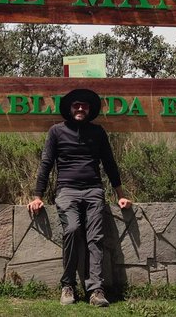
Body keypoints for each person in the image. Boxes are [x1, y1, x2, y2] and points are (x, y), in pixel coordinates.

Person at [28, 88, 131, 307]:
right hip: (66, 191)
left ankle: (96, 290)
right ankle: (68, 285)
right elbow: (46, 164)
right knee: (73, 230)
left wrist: (120, 195)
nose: (81, 108)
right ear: (70, 108)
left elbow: (110, 164)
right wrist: (38, 196)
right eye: (77, 105)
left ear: (90, 109)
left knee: (95, 238)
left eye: (84, 105)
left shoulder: (98, 132)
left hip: (94, 190)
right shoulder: (56, 131)